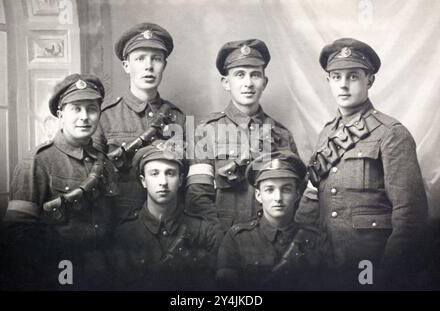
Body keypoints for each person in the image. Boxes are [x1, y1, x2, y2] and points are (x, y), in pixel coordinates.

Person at [294, 38, 428, 289]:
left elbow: (411, 216)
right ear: (328, 81)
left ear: (370, 80)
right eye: (336, 76)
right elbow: (313, 201)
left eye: (353, 76)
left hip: (372, 268)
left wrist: (389, 274)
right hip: (325, 265)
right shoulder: (326, 135)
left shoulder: (391, 134)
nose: (343, 85)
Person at [1, 74, 118, 290]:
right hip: (56, 273)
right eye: (76, 108)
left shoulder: (106, 164)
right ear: (60, 114)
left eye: (91, 109)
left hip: (103, 273)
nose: (85, 117)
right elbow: (17, 234)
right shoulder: (38, 161)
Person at [186, 39, 299, 232]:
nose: (248, 83)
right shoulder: (206, 131)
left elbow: (295, 194)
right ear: (226, 82)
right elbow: (198, 195)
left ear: (264, 82)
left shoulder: (281, 134)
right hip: (224, 235)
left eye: (255, 75)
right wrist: (219, 237)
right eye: (240, 75)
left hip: (271, 240)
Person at [93, 23, 186, 225]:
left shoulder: (177, 117)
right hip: (117, 227)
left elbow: (183, 179)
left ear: (164, 65)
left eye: (156, 59)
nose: (149, 66)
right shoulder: (105, 116)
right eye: (140, 58)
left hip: (168, 225)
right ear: (126, 66)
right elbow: (93, 180)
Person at [112, 141, 223, 290]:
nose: (163, 182)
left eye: (170, 173)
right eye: (154, 174)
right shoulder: (123, 235)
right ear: (143, 181)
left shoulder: (205, 232)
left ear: (181, 180)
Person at [216, 151, 320, 290]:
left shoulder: (315, 239)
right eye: (270, 190)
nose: (278, 197)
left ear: (297, 194)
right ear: (259, 195)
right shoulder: (237, 239)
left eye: (286, 189)